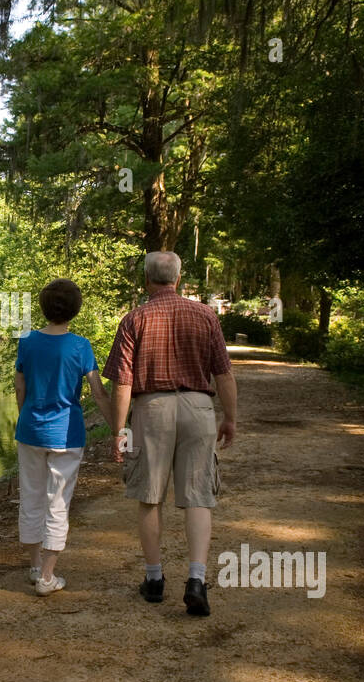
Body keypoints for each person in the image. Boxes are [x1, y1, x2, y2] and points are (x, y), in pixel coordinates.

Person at [103, 251, 237, 616]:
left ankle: (155, 579)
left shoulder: (134, 318)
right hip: (198, 407)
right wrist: (230, 418)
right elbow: (223, 373)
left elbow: (122, 383)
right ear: (177, 278)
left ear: (147, 279)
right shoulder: (205, 315)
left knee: (150, 495)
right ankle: (196, 580)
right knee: (198, 497)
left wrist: (119, 431)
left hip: (153, 409)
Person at [14, 279, 115, 596]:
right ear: (75, 309)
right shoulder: (80, 346)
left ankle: (33, 566)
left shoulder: (27, 341)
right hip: (67, 434)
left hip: (30, 430)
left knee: (30, 497)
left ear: (44, 308)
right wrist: (116, 428)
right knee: (57, 503)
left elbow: (20, 386)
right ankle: (47, 576)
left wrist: (25, 416)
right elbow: (98, 392)